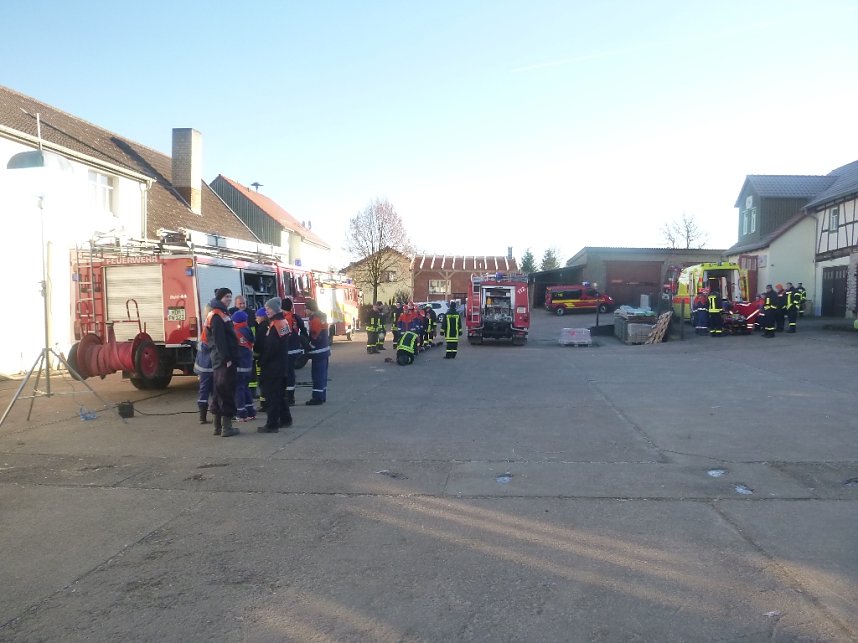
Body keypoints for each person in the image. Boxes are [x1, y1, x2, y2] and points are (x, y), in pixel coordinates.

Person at [207, 288, 240, 437]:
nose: (229, 299)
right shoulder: (217, 315)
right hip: (223, 360)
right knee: (226, 391)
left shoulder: (219, 313)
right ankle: (226, 428)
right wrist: (227, 359)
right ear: (220, 298)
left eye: (230, 297)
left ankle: (218, 427)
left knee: (219, 391)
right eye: (227, 297)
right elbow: (219, 339)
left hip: (219, 359)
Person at [258, 297, 292, 433]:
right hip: (281, 364)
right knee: (280, 394)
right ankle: (286, 419)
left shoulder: (275, 324)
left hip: (273, 366)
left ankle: (272, 424)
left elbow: (271, 347)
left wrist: (262, 361)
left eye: (268, 308)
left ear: (275, 309)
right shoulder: (283, 322)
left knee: (272, 395)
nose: (266, 311)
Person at [232, 310, 256, 422]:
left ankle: (241, 413)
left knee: (239, 389)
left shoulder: (235, 331)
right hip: (248, 364)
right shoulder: (248, 329)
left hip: (239, 365)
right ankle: (251, 411)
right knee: (245, 388)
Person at [305, 299, 330, 405]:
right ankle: (322, 395)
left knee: (317, 376)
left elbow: (315, 336)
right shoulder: (322, 317)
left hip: (318, 352)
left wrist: (309, 346)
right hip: (324, 350)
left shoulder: (315, 319)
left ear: (310, 309)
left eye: (306, 309)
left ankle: (317, 398)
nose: (305, 311)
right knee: (323, 375)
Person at [193, 304, 213, 424]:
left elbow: (204, 346)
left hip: (205, 367)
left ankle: (203, 417)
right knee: (216, 393)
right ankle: (217, 418)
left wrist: (194, 344)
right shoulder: (214, 326)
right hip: (213, 367)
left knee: (203, 392)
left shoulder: (207, 328)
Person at [282, 297, 304, 406]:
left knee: (288, 374)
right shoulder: (294, 317)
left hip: (289, 350)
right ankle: (290, 397)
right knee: (290, 373)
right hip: (295, 348)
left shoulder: (285, 319)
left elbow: (285, 335)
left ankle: (290, 398)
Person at [252, 307, 269, 411]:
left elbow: (258, 344)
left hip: (262, 359)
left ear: (262, 317)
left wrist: (255, 354)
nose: (256, 319)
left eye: (257, 316)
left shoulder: (262, 328)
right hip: (267, 358)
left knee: (262, 381)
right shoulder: (268, 325)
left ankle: (264, 404)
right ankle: (265, 402)